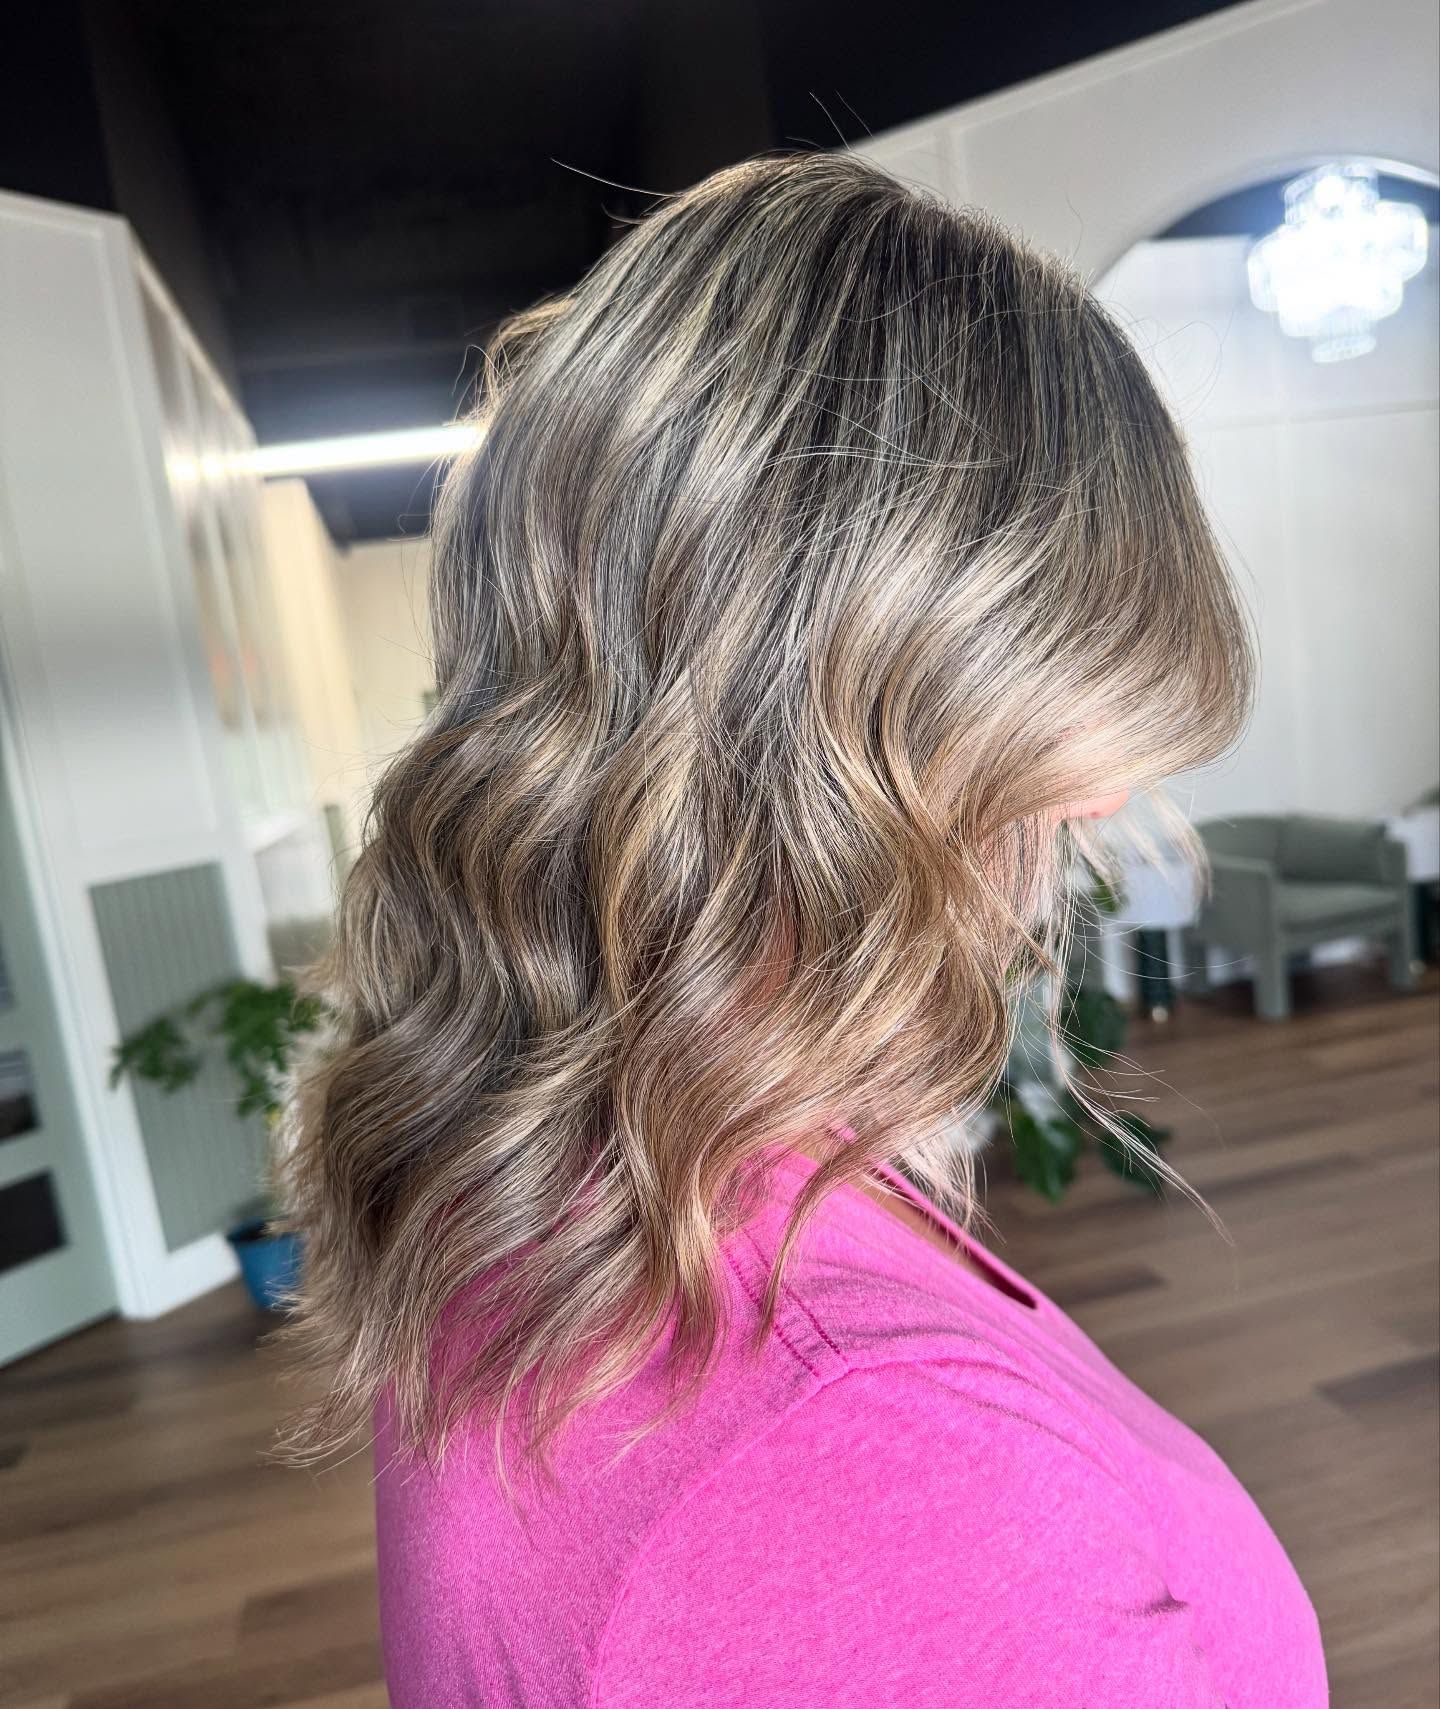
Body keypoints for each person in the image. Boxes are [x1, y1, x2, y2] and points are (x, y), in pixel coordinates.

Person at [279, 151, 1327, 1706]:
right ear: (881, 732)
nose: (1101, 803)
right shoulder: (876, 1476)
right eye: (1066, 717)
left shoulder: (547, 1161)